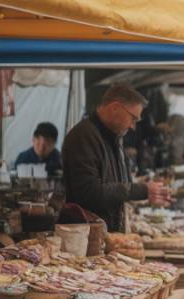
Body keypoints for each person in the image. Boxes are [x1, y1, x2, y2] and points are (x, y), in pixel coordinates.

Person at [63, 85, 171, 232]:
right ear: (115, 108)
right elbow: (88, 192)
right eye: (133, 118)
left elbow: (122, 185)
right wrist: (142, 190)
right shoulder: (83, 136)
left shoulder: (115, 137)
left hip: (108, 233)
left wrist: (148, 194)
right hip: (87, 237)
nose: (133, 126)